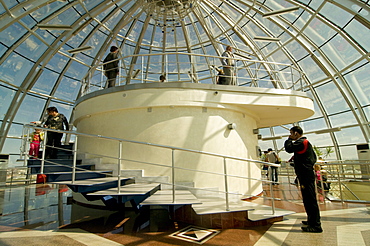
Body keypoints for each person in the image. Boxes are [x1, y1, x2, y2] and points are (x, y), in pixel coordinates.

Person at [284, 126, 323, 233]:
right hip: (306, 174)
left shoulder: (302, 142)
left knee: (310, 199)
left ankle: (316, 225)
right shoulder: (306, 143)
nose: (290, 135)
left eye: (291, 133)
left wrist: (288, 140)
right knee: (308, 199)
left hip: (306, 175)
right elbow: (313, 158)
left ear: (296, 133)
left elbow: (288, 148)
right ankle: (311, 220)